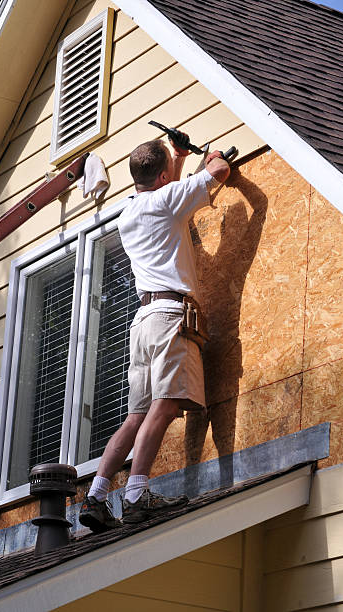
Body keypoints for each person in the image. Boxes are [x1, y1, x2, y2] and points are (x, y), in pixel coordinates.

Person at [79, 131, 230, 532]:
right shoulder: (166, 201)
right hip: (169, 317)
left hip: (143, 320)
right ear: (163, 176)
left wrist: (176, 157)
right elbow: (218, 170)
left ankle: (95, 495)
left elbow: (168, 191)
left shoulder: (129, 210)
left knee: (136, 415)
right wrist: (212, 155)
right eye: (170, 168)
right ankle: (136, 494)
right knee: (164, 407)